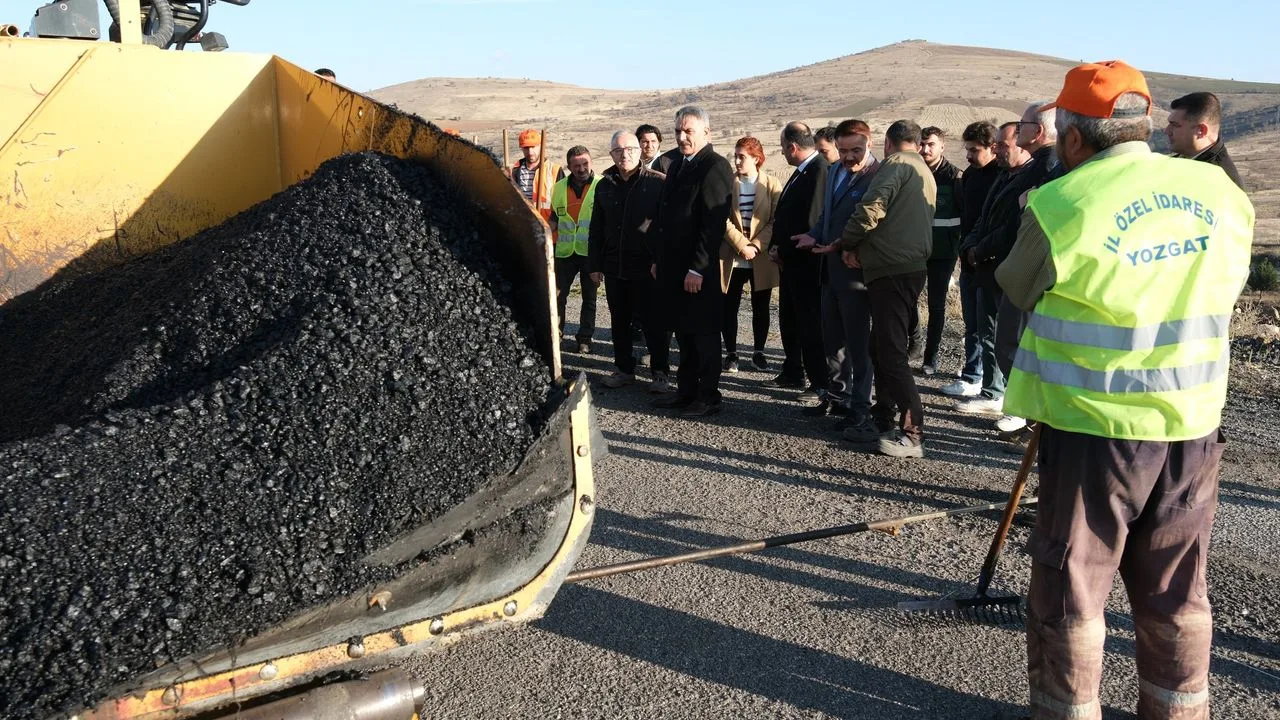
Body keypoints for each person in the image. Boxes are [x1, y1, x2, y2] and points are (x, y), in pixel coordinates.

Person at [998, 60, 1254, 720]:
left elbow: (1016, 287)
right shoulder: (1223, 194)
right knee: (1177, 592)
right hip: (1192, 430)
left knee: (1072, 594)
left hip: (1094, 434)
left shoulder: (1061, 203)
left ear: (1075, 139)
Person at [819, 120, 935, 458]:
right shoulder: (923, 170)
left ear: (885, 143)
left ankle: (912, 433)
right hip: (904, 268)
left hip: (892, 270)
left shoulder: (896, 165)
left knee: (892, 354)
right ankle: (881, 417)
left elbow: (871, 208)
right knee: (880, 346)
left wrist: (847, 243)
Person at [956, 108, 1057, 438]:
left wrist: (981, 248)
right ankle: (997, 393)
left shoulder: (1044, 170)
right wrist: (972, 245)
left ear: (1033, 135)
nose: (997, 149)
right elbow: (983, 218)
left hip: (1006, 264)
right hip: (985, 264)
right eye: (996, 144)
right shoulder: (1005, 176)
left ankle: (1013, 404)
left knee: (1013, 340)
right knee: (990, 334)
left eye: (1003, 144)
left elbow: (1014, 227)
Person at [791, 120, 881, 441]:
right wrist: (812, 234)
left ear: (869, 144)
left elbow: (874, 223)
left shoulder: (878, 177)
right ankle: (837, 397)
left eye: (856, 150)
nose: (849, 157)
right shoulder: (834, 171)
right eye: (843, 150)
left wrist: (843, 243)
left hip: (856, 271)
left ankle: (861, 408)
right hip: (829, 268)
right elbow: (825, 217)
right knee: (833, 339)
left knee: (858, 345)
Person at [651, 106, 735, 417]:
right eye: (678, 131)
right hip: (673, 267)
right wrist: (660, 259)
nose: (682, 136)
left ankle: (708, 395)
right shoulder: (677, 166)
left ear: (706, 133)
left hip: (696, 270)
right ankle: (685, 391)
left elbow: (712, 225)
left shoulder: (715, 166)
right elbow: (665, 217)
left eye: (689, 131)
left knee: (703, 334)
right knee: (683, 331)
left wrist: (697, 267)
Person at [589, 131, 672, 392]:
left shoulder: (658, 183)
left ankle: (660, 372)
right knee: (619, 321)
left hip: (647, 267)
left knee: (654, 321)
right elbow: (596, 228)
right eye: (618, 150)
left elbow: (666, 228)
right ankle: (624, 369)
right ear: (611, 154)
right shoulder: (604, 185)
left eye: (630, 149)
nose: (624, 155)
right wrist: (595, 264)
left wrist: (661, 260)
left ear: (639, 151)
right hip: (615, 267)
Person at [767, 122, 829, 396]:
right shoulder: (802, 172)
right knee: (791, 321)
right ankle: (794, 371)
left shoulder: (818, 172)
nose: (781, 153)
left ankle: (819, 383)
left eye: (782, 148)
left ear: (793, 147)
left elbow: (811, 222)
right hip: (790, 263)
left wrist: (785, 250)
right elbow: (784, 216)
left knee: (810, 325)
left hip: (806, 265)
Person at [944, 121, 1002, 400]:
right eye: (966, 149)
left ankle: (983, 381)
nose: (968, 155)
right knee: (972, 324)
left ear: (993, 147)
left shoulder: (1001, 177)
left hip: (988, 262)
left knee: (987, 327)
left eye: (974, 150)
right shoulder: (969, 175)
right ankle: (973, 374)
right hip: (968, 260)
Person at [721, 136, 782, 374]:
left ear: (756, 159)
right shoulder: (727, 183)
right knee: (730, 305)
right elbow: (722, 219)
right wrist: (740, 244)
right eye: (735, 155)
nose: (736, 161)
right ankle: (731, 354)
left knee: (761, 306)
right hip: (733, 255)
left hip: (761, 256)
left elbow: (777, 220)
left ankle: (759, 352)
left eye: (742, 156)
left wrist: (756, 245)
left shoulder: (772, 184)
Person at [916, 126, 964, 376]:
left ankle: (930, 359)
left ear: (942, 147)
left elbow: (964, 216)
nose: (925, 150)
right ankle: (911, 347)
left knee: (936, 306)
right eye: (922, 144)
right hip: (914, 250)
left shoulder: (955, 177)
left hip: (943, 253)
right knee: (907, 300)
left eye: (930, 145)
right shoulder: (913, 173)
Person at [550, 146, 600, 353]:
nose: (581, 169)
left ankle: (585, 339)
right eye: (576, 165)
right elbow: (555, 217)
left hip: (591, 252)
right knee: (559, 296)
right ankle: (557, 335)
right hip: (564, 253)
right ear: (569, 166)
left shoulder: (601, 185)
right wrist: (541, 235)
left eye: (585, 164)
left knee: (589, 298)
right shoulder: (559, 187)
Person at [1166, 92, 1244, 188]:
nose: (1167, 131)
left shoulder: (1221, 182)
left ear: (1201, 130)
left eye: (1175, 125)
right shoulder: (1183, 160)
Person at [511, 129, 564, 222]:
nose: (530, 152)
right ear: (521, 148)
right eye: (526, 148)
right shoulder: (514, 170)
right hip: (524, 224)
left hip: (548, 226)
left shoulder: (555, 170)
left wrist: (554, 222)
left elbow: (563, 201)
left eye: (533, 147)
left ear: (540, 146)